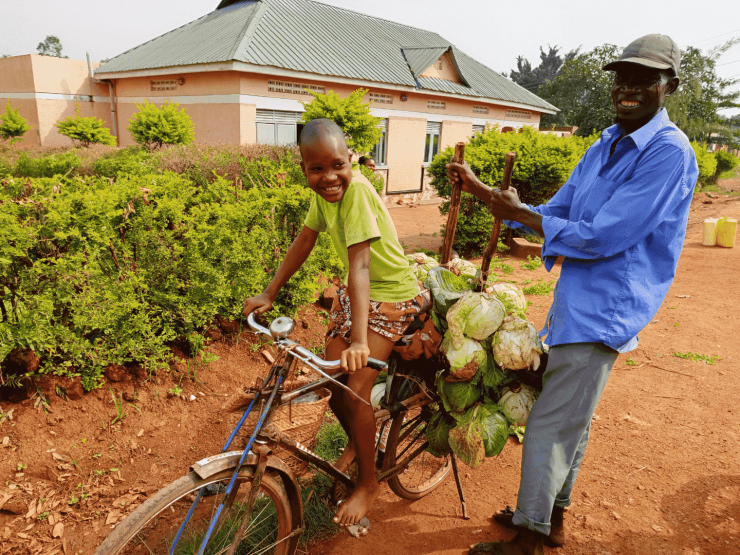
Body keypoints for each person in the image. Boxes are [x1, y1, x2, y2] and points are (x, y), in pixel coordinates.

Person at [446, 34, 698, 555]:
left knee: (552, 419)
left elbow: (606, 233)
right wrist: (494, 198)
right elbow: (559, 212)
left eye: (644, 78)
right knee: (571, 416)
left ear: (668, 85)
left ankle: (530, 535)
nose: (628, 87)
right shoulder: (603, 145)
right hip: (577, 299)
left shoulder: (668, 154)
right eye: (621, 77)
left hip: (607, 306)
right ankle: (552, 516)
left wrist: (519, 214)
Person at [243, 118, 423, 527]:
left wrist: (360, 340)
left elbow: (360, 263)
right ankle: (360, 444)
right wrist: (269, 292)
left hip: (390, 295)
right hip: (356, 294)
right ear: (304, 168)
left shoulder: (355, 190)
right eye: (316, 168)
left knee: (354, 391)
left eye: (337, 165)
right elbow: (305, 239)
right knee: (334, 387)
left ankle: (369, 483)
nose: (329, 177)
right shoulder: (324, 195)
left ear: (352, 160)